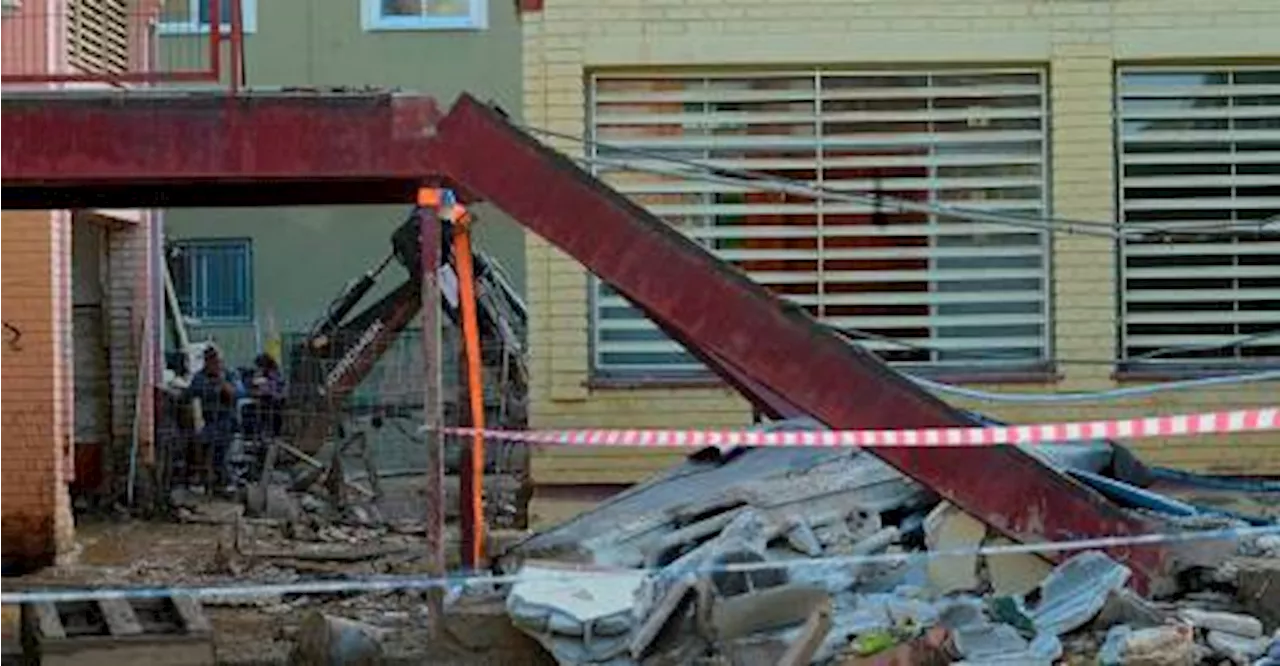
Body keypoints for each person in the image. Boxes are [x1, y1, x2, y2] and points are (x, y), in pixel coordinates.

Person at [186, 345, 240, 493]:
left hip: (226, 420)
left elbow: (237, 394)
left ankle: (224, 481)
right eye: (210, 361)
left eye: (217, 361)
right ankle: (204, 478)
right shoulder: (200, 377)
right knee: (199, 443)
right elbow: (190, 393)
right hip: (209, 421)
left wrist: (222, 382)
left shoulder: (229, 374)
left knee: (220, 452)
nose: (214, 364)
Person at [246, 353, 286, 441]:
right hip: (265, 400)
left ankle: (272, 434)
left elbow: (275, 389)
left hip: (273, 401)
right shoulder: (260, 375)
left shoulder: (273, 374)